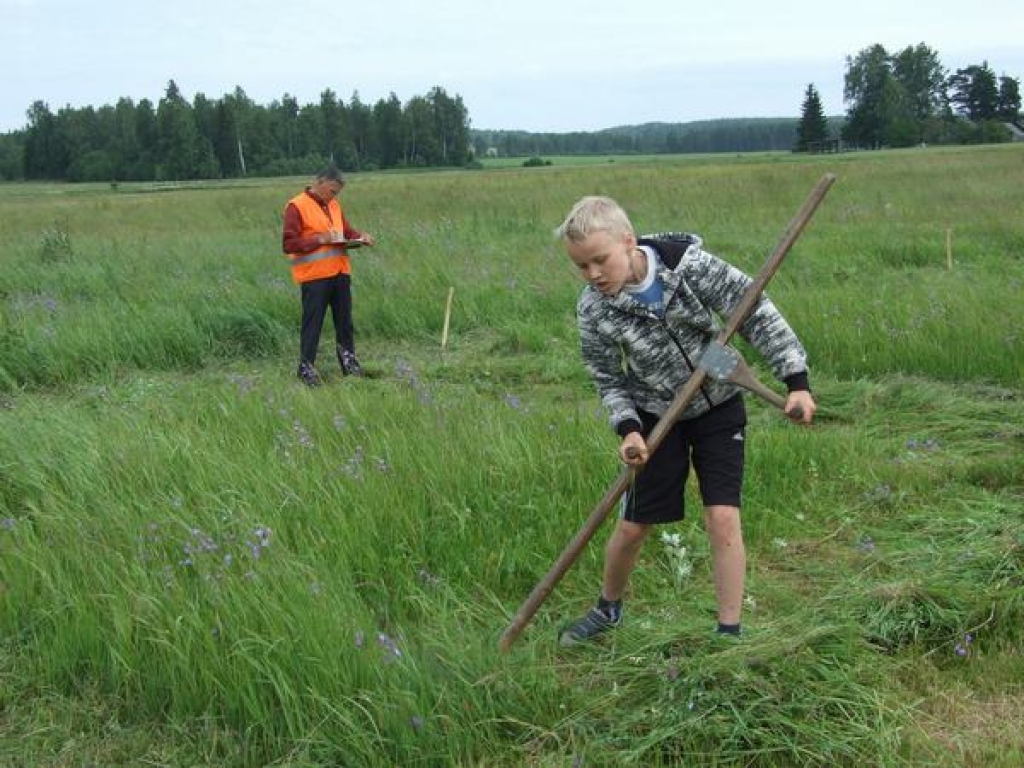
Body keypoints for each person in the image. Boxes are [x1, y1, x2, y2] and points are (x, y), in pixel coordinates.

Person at [553, 196, 816, 646]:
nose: (593, 274)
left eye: (600, 260)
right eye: (582, 266)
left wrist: (795, 379)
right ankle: (608, 609)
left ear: (628, 242)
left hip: (719, 396)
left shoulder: (690, 267)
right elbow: (607, 377)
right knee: (634, 525)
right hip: (657, 415)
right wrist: (629, 429)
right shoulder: (594, 309)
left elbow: (754, 310)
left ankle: (728, 631)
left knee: (722, 517)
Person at [282, 164, 376, 386]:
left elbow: (346, 232)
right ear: (320, 182)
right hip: (314, 277)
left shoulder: (333, 205)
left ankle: (350, 367)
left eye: (337, 193)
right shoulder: (296, 206)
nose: (334, 196)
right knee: (312, 325)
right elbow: (288, 244)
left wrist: (361, 237)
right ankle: (306, 370)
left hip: (340, 272)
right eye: (332, 191)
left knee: (345, 324)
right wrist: (318, 239)